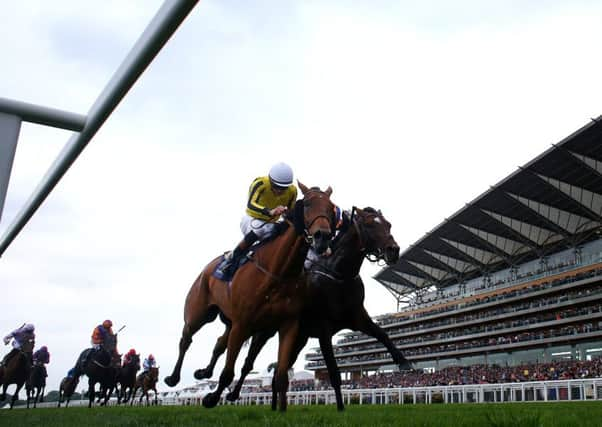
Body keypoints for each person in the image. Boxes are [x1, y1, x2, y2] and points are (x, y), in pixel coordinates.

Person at [215, 162, 298, 278]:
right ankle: (231, 259)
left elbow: (291, 211)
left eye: (283, 188)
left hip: (272, 223)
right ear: (270, 180)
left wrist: (286, 212)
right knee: (262, 229)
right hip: (252, 219)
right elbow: (251, 204)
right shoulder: (260, 184)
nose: (279, 191)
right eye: (276, 187)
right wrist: (270, 211)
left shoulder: (293, 191)